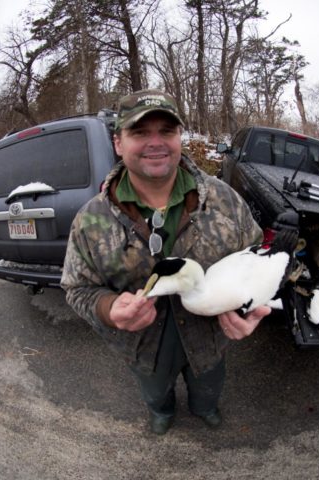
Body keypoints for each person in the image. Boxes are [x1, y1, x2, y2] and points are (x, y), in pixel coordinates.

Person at [61, 89, 271, 435]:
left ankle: (205, 408)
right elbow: (76, 287)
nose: (155, 142)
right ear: (118, 143)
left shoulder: (224, 200)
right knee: (155, 392)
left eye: (166, 131)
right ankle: (162, 411)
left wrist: (247, 307)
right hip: (144, 347)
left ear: (179, 137)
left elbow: (254, 257)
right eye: (140, 132)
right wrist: (109, 308)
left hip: (210, 340)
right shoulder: (90, 219)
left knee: (209, 385)